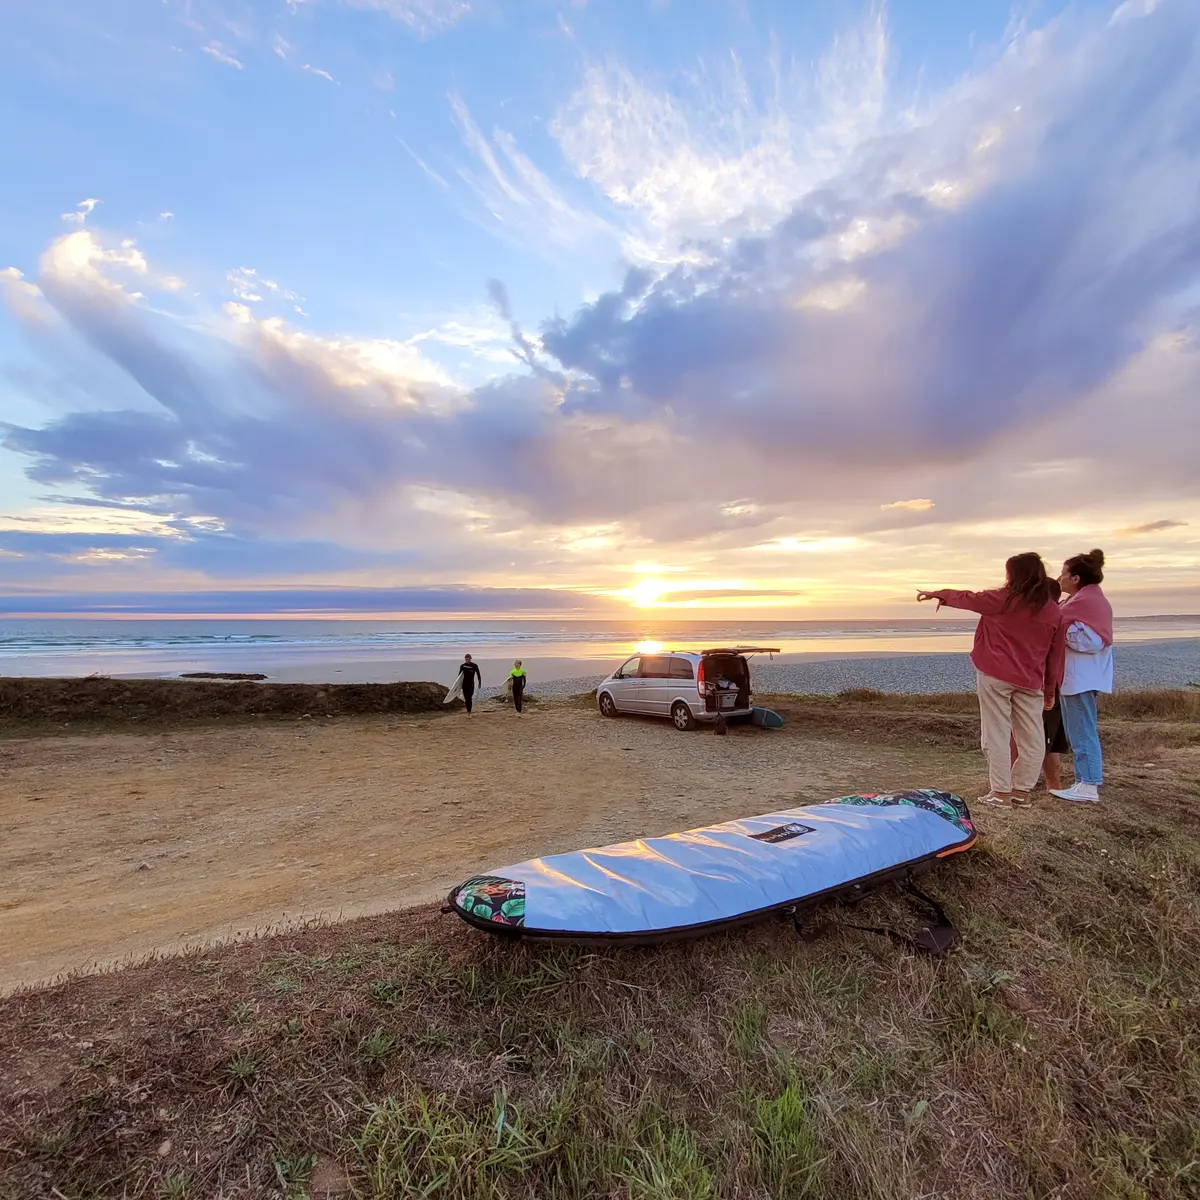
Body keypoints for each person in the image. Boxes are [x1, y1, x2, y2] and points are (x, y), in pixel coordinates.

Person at [918, 552, 1065, 807]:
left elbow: (968, 598)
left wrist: (938, 593)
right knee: (1032, 738)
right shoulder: (1052, 610)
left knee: (996, 734)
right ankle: (1021, 791)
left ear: (1013, 575)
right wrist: (1051, 688)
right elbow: (1056, 655)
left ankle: (1001, 793)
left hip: (995, 675)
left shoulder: (1003, 600)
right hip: (1031, 680)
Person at [1049, 549, 1113, 804]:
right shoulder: (1088, 600)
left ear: (1075, 578)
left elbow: (1092, 641)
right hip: (1081, 677)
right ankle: (1085, 781)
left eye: (1064, 573)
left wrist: (1062, 632)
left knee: (1081, 731)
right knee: (1080, 729)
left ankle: (1087, 784)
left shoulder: (1083, 602)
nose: (1060, 578)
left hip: (1080, 678)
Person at [1009, 580, 1069, 790]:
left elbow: (1052, 658)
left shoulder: (1044, 619)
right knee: (1043, 739)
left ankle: (1015, 786)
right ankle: (1050, 786)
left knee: (1030, 737)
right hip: (1042, 685)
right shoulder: (1054, 619)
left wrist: (1049, 690)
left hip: (1038, 686)